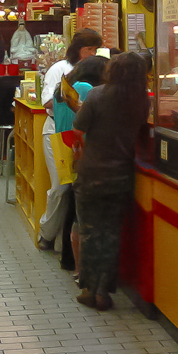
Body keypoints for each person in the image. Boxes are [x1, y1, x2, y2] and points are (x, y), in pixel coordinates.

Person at [72, 52, 150, 310]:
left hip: (93, 172)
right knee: (112, 233)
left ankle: (89, 289)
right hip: (122, 174)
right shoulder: (141, 101)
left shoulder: (96, 95)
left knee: (90, 232)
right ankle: (104, 291)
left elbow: (78, 129)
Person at [38, 28, 103, 251]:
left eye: (96, 49)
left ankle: (62, 241)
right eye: (89, 49)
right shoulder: (60, 69)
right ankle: (46, 232)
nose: (93, 53)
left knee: (76, 189)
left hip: (83, 136)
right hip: (57, 131)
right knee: (61, 186)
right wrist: (74, 102)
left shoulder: (95, 70)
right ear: (78, 49)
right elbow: (46, 102)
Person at [51, 55, 109, 272]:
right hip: (81, 149)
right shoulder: (85, 88)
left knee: (71, 201)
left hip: (65, 147)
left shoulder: (64, 88)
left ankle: (67, 257)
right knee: (77, 209)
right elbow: (87, 119)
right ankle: (71, 259)